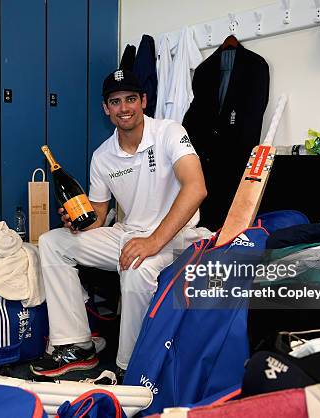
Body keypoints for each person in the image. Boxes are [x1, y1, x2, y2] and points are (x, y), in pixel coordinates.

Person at [30, 69, 208, 379]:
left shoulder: (169, 132)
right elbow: (98, 216)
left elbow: (196, 187)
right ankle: (76, 345)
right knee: (52, 243)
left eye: (130, 99)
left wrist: (153, 242)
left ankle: (130, 367)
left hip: (178, 236)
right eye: (115, 102)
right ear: (106, 108)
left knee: (136, 266)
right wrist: (78, 223)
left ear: (143, 101)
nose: (123, 108)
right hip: (128, 234)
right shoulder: (102, 156)